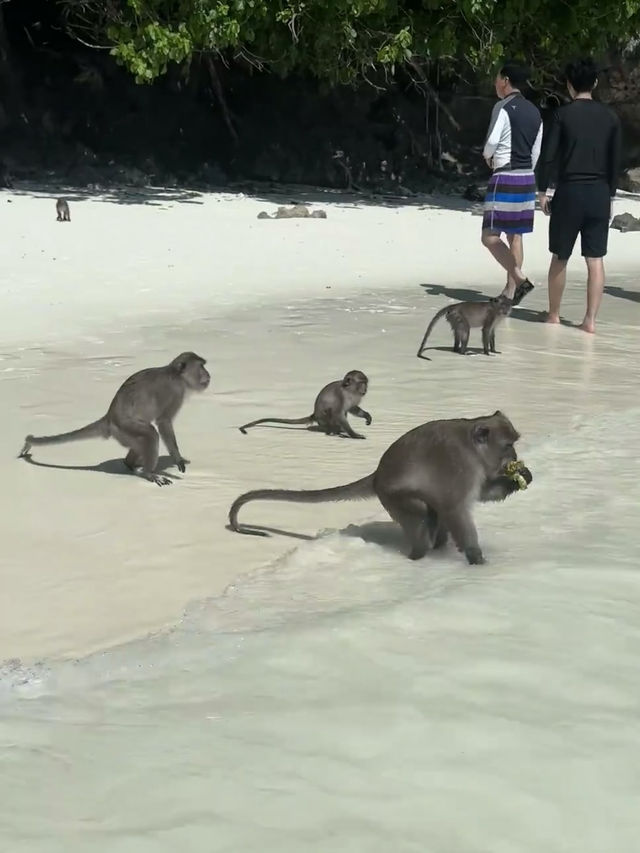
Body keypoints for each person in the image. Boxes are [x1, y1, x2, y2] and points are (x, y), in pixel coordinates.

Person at [537, 57, 622, 334]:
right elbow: (615, 162)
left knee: (560, 256)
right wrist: (609, 197)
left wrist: (542, 191)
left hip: (570, 191)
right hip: (599, 193)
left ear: (569, 84)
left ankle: (554, 315)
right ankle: (590, 321)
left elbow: (548, 157)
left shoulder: (562, 115)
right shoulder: (610, 118)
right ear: (595, 83)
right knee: (595, 260)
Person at [481, 61, 542, 305]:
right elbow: (536, 151)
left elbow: (492, 142)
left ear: (505, 80)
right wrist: (527, 171)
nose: (496, 83)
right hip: (527, 178)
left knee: (489, 236)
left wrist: (488, 157)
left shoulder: (502, 107)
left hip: (505, 176)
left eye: (497, 78)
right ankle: (509, 293)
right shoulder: (535, 112)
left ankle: (519, 279)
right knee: (515, 237)